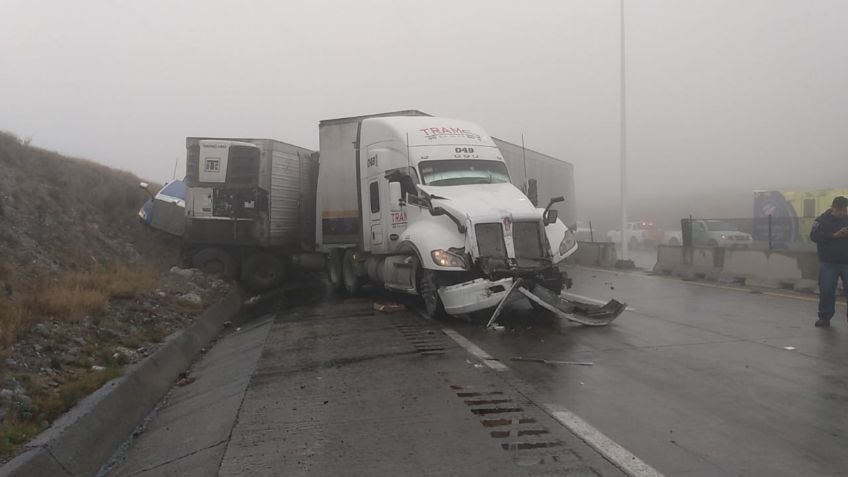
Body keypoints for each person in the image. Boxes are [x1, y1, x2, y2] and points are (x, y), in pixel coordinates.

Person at [810, 196, 848, 327]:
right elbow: (814, 236)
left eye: (845, 210)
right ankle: (825, 317)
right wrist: (833, 235)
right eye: (840, 210)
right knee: (827, 290)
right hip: (828, 262)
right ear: (833, 207)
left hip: (846, 261)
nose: (842, 213)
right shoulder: (821, 221)